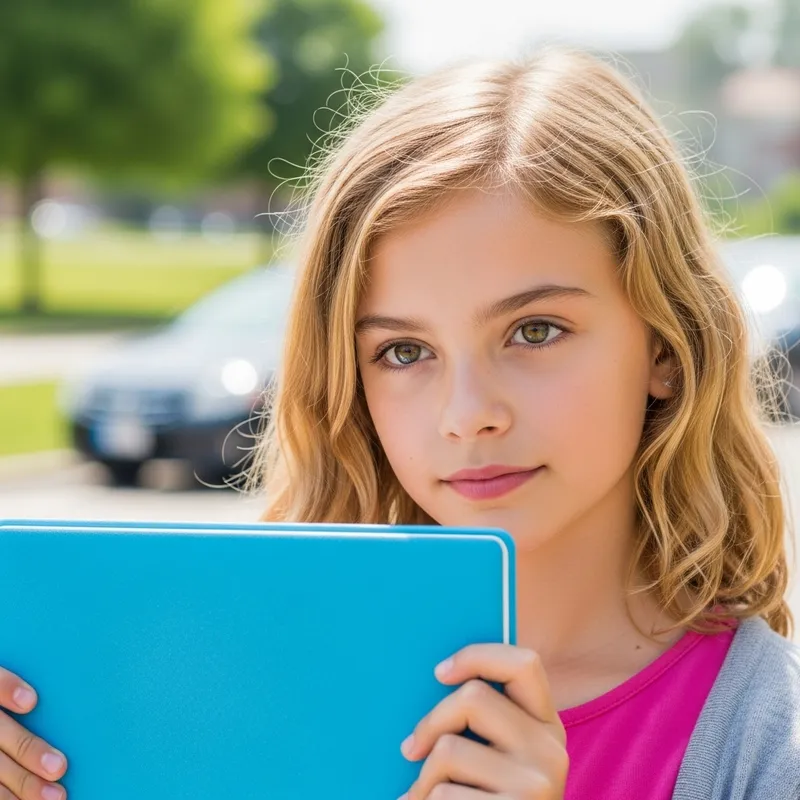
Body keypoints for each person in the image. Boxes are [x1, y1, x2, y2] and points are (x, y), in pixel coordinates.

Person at [1, 46, 799, 800]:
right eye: (405, 350)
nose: (466, 415)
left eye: (535, 331)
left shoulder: (764, 744)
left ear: (666, 345)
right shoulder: (222, 685)